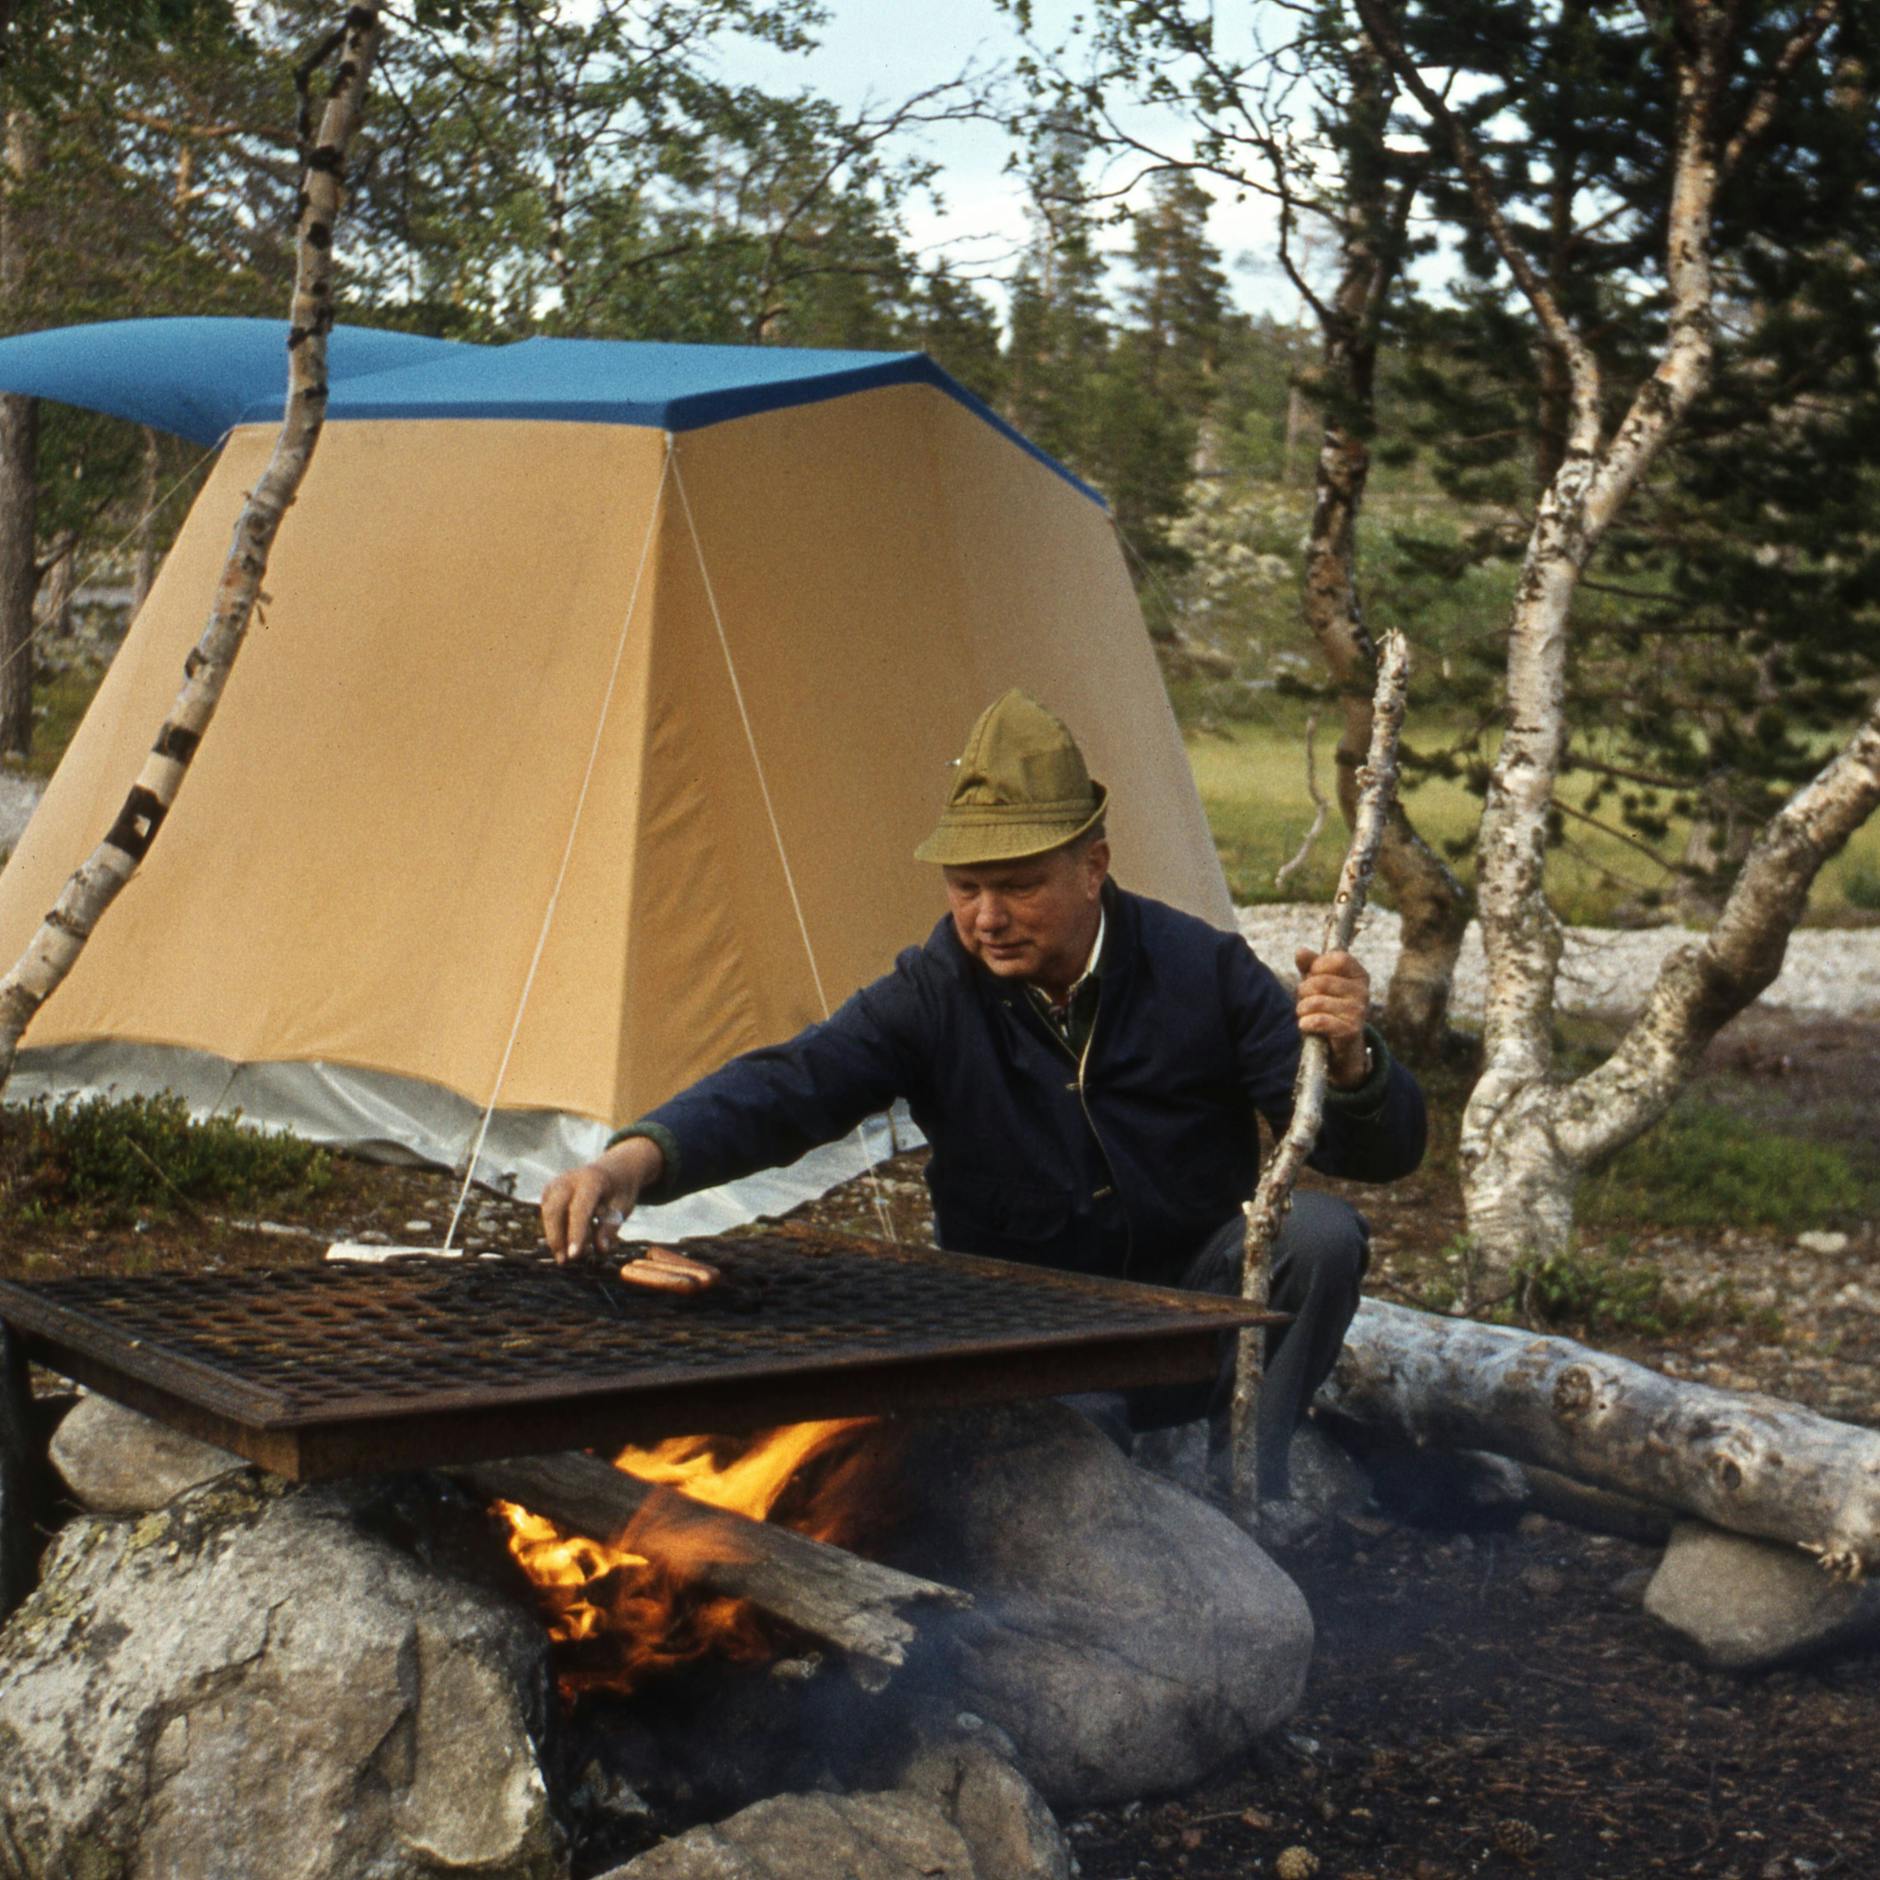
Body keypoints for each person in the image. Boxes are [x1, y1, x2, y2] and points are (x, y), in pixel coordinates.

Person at [541, 691, 1426, 1498]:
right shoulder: (934, 993)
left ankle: (1252, 1482)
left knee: (1319, 1234)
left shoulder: (1204, 969)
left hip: (1190, 1315)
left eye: (1017, 886)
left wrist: (1351, 1067)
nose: (987, 919)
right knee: (1073, 1457)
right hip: (1025, 1337)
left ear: (1094, 866)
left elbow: (1375, 1155)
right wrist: (637, 1159)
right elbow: (792, 1085)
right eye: (966, 889)